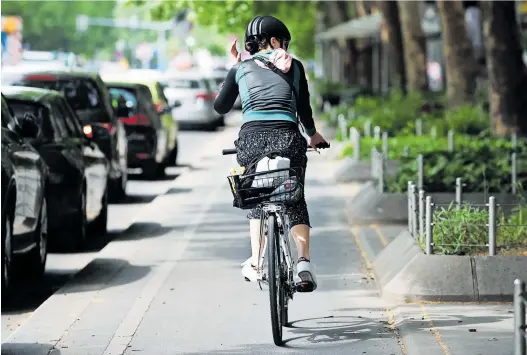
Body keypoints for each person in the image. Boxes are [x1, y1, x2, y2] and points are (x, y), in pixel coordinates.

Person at [214, 15, 328, 292]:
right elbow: (304, 110)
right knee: (294, 197)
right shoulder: (296, 67)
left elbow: (220, 107)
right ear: (275, 41)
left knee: (256, 196)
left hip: (250, 140)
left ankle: (256, 261)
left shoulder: (239, 69)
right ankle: (302, 264)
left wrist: (235, 68)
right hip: (288, 138)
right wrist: (313, 136)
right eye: (284, 43)